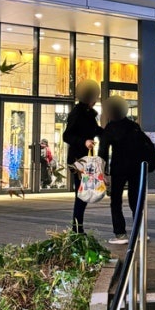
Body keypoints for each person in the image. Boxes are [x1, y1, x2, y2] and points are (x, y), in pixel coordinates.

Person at [99, 96, 148, 245]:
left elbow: (103, 152)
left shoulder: (110, 127)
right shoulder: (134, 126)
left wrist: (103, 172)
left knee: (116, 201)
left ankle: (120, 234)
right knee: (136, 200)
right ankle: (140, 232)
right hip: (136, 168)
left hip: (119, 168)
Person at [63, 79, 102, 233]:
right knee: (82, 194)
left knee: (82, 194)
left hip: (84, 159)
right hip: (77, 160)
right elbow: (67, 135)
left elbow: (95, 130)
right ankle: (77, 228)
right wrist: (84, 141)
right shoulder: (78, 113)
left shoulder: (88, 114)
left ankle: (77, 228)